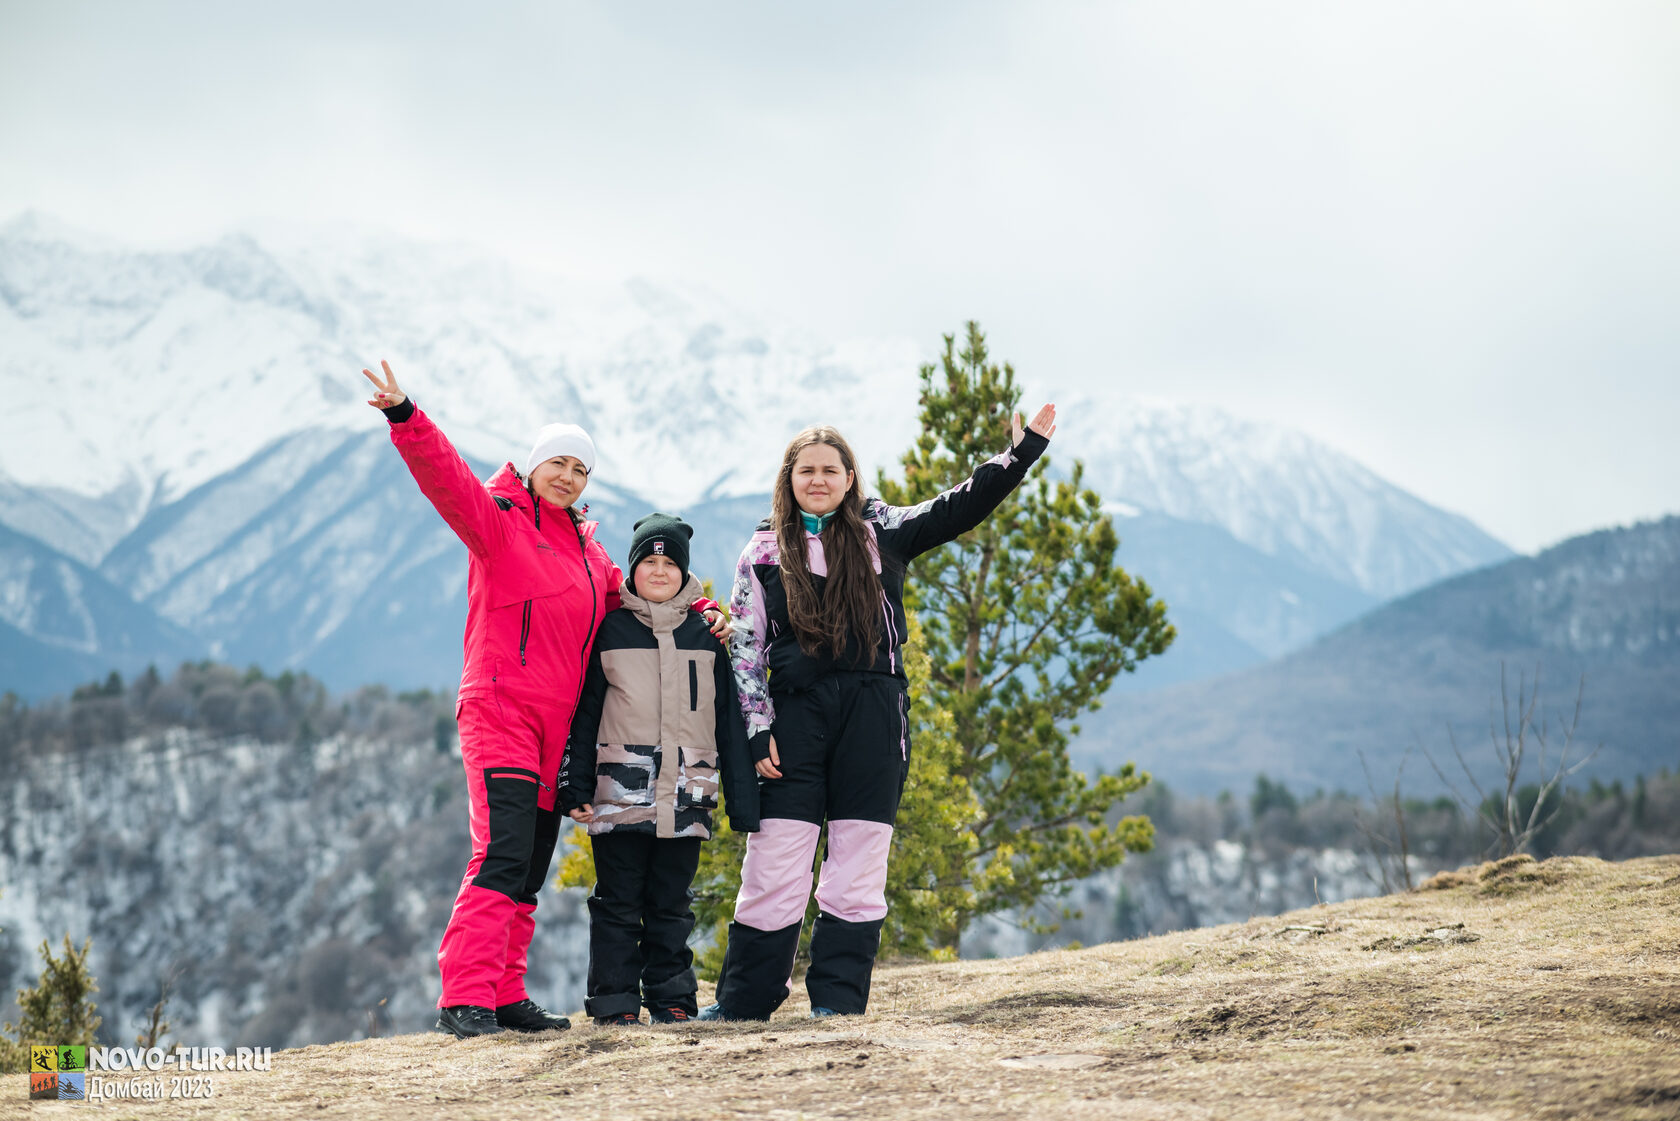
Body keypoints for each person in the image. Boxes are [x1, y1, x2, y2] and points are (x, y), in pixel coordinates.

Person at [361, 362, 724, 1038]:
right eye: (557, 462)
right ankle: (463, 993)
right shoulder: (497, 522)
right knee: (501, 850)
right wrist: (407, 417)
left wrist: (706, 610)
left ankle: (503, 993)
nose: (567, 476)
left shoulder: (591, 553)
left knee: (529, 864)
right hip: (501, 710)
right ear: (532, 467)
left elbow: (647, 591)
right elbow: (448, 482)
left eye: (580, 469)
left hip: (560, 730)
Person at [702, 405, 1056, 1021]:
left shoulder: (881, 529)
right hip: (792, 722)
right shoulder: (761, 551)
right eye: (806, 470)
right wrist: (757, 731)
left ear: (849, 478)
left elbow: (956, 507)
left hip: (874, 715)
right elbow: (746, 647)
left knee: (858, 865)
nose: (818, 480)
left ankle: (837, 1005)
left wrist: (1021, 454)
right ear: (789, 478)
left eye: (830, 471)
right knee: (775, 864)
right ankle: (743, 1004)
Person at [559, 513, 759, 1026]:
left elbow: (730, 723)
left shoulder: (706, 633)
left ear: (684, 571)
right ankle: (615, 1004)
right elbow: (584, 712)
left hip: (688, 792)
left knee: (672, 904)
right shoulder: (610, 629)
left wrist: (743, 797)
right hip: (620, 791)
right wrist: (575, 783)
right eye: (649, 560)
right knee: (618, 902)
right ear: (632, 568)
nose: (659, 570)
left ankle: (672, 1000)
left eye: (669, 562)